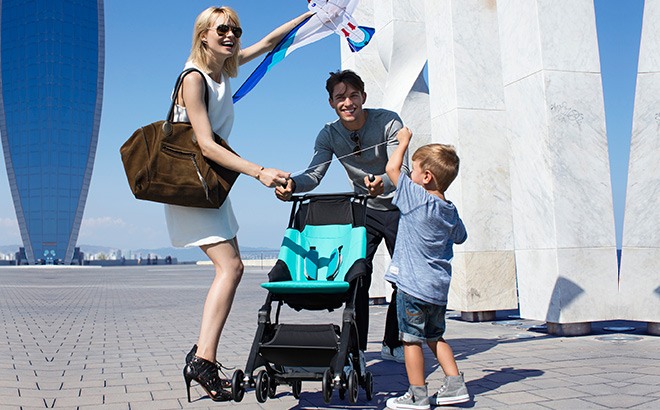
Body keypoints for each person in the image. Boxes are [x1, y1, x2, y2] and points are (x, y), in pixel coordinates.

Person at [170, 6, 313, 402]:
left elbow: (268, 43)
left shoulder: (224, 70)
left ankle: (202, 357)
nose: (230, 35)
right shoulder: (194, 79)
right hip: (191, 186)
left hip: (210, 187)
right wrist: (259, 171)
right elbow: (205, 144)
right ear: (203, 35)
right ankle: (202, 360)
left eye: (235, 29)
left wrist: (310, 16)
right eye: (222, 29)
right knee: (230, 267)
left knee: (231, 269)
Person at [275, 69, 407, 362]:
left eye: (353, 95)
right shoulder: (329, 134)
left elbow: (403, 171)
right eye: (340, 98)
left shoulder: (389, 121)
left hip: (400, 208)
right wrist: (292, 185)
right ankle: (356, 349)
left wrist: (382, 183)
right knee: (357, 276)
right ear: (332, 103)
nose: (348, 102)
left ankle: (393, 342)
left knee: (404, 279)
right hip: (365, 211)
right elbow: (314, 174)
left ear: (363, 97)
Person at [384, 128, 470, 409]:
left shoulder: (416, 199)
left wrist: (403, 142)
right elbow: (461, 236)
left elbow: (391, 168)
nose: (410, 174)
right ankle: (455, 384)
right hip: (437, 289)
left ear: (426, 177)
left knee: (411, 341)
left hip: (412, 287)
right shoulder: (450, 210)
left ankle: (417, 395)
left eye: (415, 170)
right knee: (435, 337)